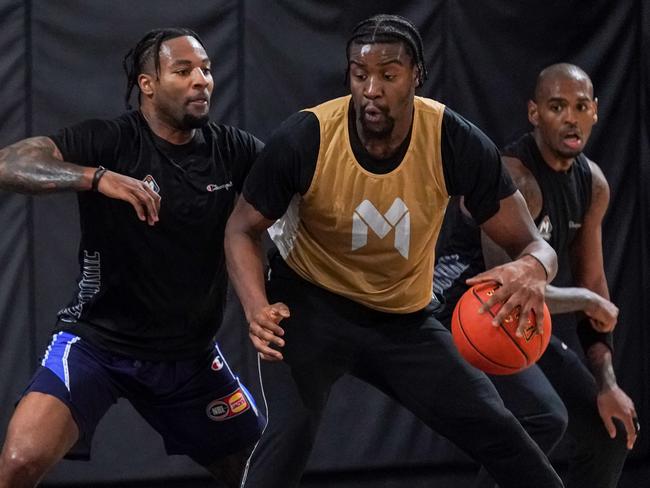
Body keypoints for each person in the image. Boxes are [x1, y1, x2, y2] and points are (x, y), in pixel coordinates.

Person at [225, 14, 564, 488]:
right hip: (309, 304)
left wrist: (532, 268)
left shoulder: (452, 139)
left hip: (401, 317)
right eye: (360, 74)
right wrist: (256, 306)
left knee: (499, 430)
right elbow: (242, 228)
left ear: (416, 76)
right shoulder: (308, 135)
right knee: (290, 436)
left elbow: (534, 244)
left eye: (388, 74)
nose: (371, 88)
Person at [0, 28, 264, 488]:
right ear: (148, 84)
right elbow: (8, 165)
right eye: (183, 71)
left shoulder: (233, 149)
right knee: (21, 461)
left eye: (205, 69)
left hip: (189, 357)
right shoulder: (111, 140)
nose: (201, 80)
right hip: (98, 345)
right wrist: (95, 177)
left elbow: (300, 193)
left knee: (258, 471)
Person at [433, 63, 638, 488]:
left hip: (518, 317)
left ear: (595, 112)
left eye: (581, 107)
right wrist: (584, 299)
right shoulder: (515, 177)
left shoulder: (593, 184)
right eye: (557, 106)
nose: (570, 117)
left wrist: (607, 383)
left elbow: (594, 285)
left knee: (610, 427)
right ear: (534, 113)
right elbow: (504, 284)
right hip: (463, 309)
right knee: (542, 415)